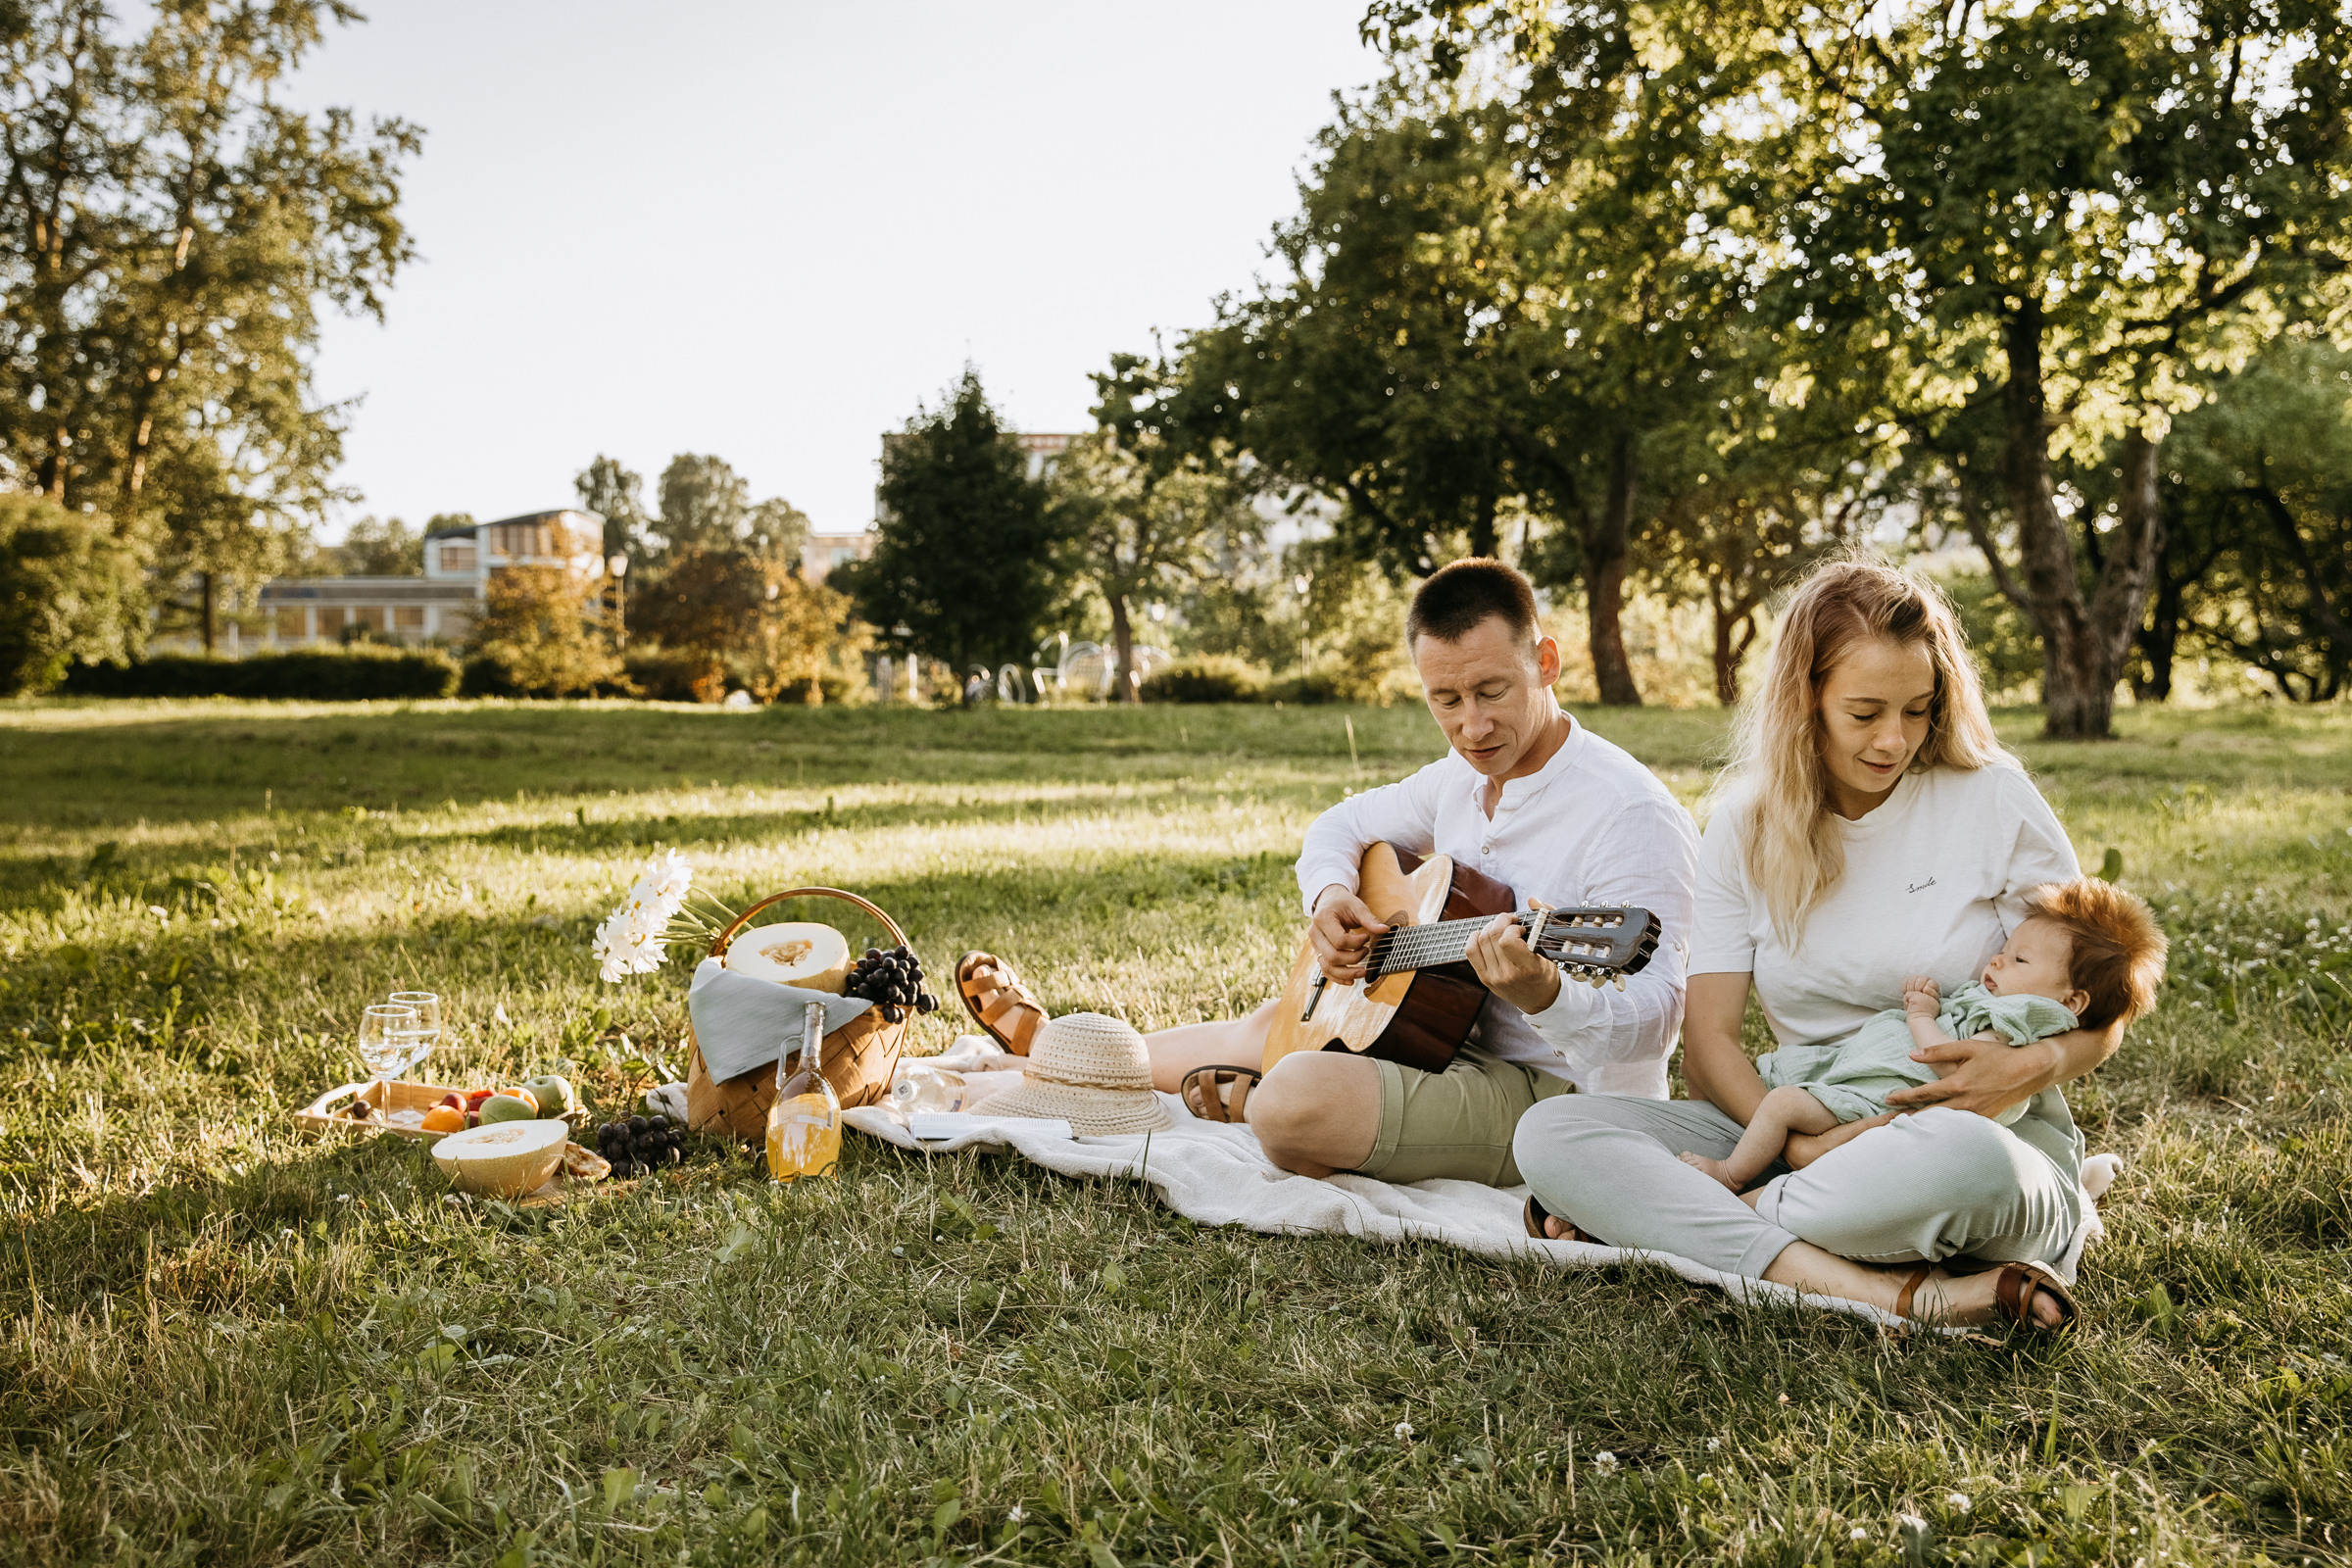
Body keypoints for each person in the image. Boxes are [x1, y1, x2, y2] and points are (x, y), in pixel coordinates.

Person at [1511, 557, 2130, 1332]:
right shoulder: (1745, 824)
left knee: (1974, 1167)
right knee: (1553, 1135)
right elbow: (1707, 1045)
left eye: (1917, 710)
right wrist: (1808, 1142)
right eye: (1865, 712)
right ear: (1806, 699)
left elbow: (2102, 1003)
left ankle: (1682, 1221)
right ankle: (1893, 1291)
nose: (1894, 740)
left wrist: (2030, 1064)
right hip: (1790, 1111)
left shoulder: (1993, 797)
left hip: (1961, 1126)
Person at [956, 558, 1697, 1185]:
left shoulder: (1631, 813)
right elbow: (1339, 826)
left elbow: (1655, 1023)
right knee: (1285, 1022)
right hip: (1439, 1037)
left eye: (1492, 692)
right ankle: (1062, 1057)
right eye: (1446, 699)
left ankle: (1251, 1096)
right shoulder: (1456, 779)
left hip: (1558, 1093)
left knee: (1290, 1098)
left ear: (1545, 662)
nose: (1472, 726)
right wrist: (1334, 894)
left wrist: (1547, 992)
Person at [1681, 878, 2168, 1191]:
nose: (1997, 960)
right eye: (2004, 949)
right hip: (1867, 1093)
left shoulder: (2021, 1022)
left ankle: (1731, 1176)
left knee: (1784, 1105)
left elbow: (1955, 1069)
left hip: (1882, 1106)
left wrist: (1920, 1015)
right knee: (1780, 1106)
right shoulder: (1998, 1005)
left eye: (2019, 960)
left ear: (2071, 1001)